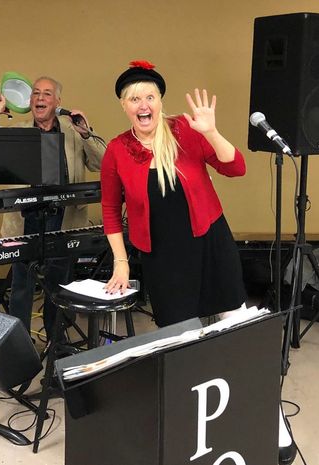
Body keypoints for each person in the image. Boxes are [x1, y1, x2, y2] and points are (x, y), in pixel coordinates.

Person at [101, 60, 247, 326]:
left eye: (150, 97)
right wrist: (121, 262)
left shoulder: (186, 130)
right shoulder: (117, 150)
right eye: (134, 99)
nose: (143, 105)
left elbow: (236, 168)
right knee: (180, 334)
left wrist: (211, 132)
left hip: (210, 243)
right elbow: (110, 209)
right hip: (162, 258)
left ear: (160, 101)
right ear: (124, 105)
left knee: (234, 324)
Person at [0, 76, 105, 339]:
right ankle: (18, 342)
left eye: (47, 94)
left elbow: (102, 162)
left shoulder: (73, 132)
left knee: (60, 283)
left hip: (64, 218)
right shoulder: (18, 131)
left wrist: (86, 133)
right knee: (22, 284)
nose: (40, 98)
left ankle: (56, 338)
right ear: (29, 101)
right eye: (36, 93)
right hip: (25, 219)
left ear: (58, 101)